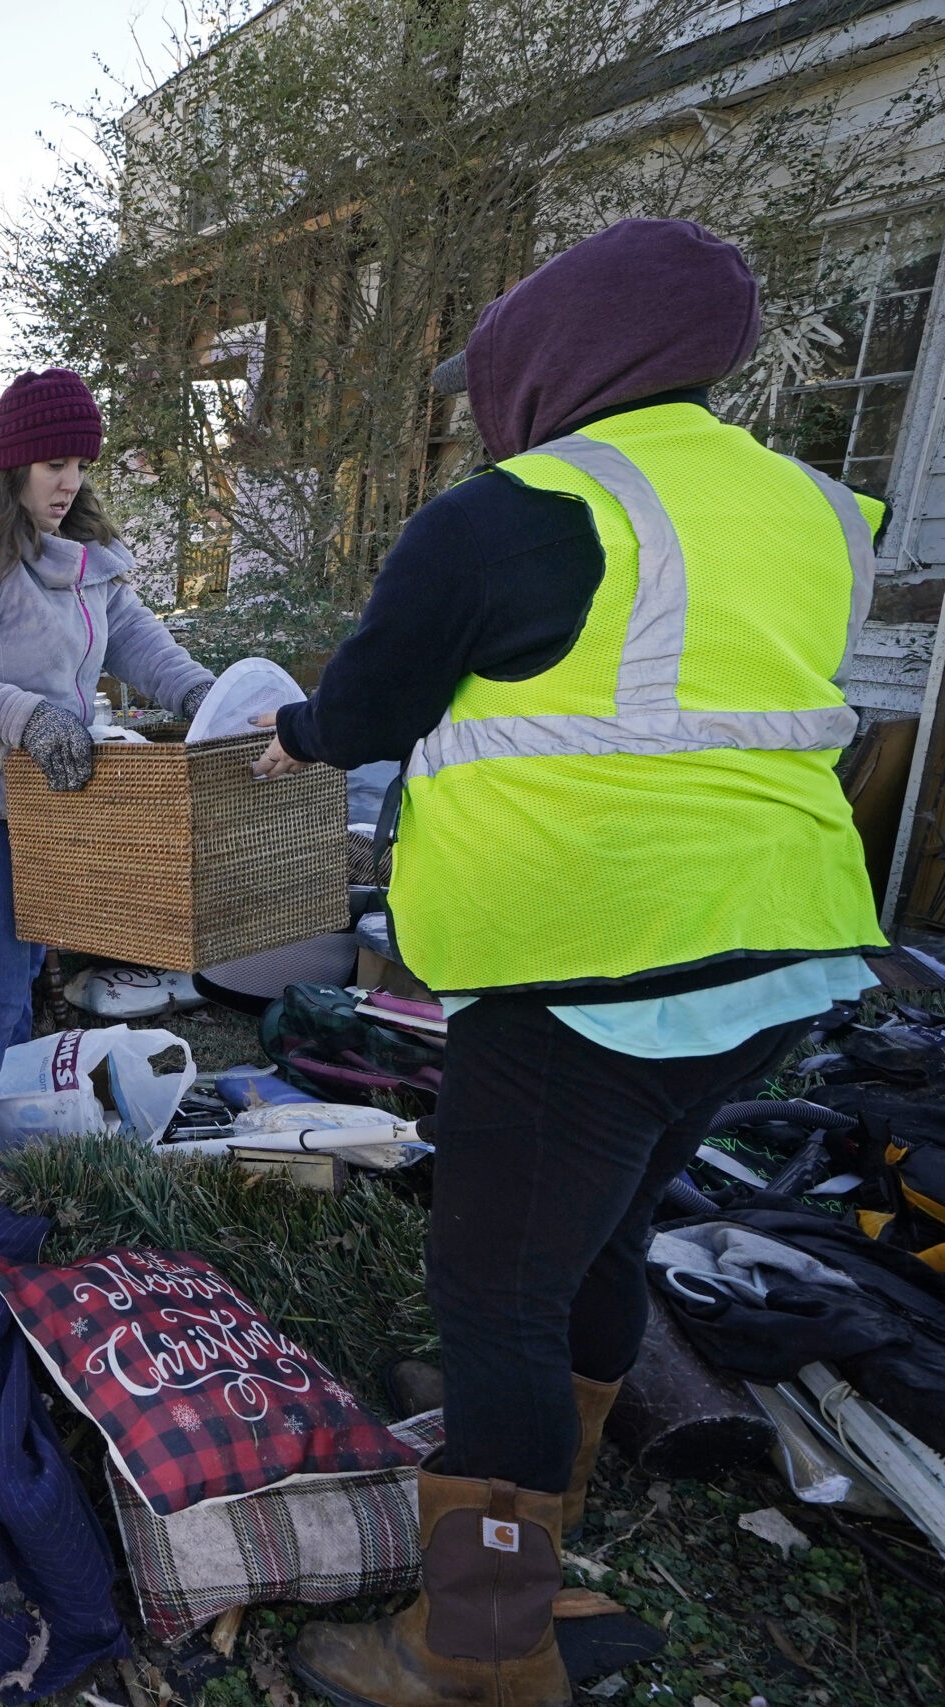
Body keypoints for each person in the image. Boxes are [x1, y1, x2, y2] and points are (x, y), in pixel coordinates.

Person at [251, 220, 883, 1707]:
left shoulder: (513, 512)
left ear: (551, 365)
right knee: (598, 1239)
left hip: (591, 971)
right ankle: (549, 1482)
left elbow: (367, 708)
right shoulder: (811, 508)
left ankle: (479, 1643)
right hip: (775, 956)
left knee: (496, 1297)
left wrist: (293, 732)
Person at [0, 368, 216, 1180]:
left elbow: (136, 639)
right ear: (12, 464)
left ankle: (2, 1146)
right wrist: (31, 718)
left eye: (79, 464)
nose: (68, 483)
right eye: (52, 466)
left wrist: (207, 697)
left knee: (22, 987)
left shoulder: (81, 552)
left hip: (42, 812)